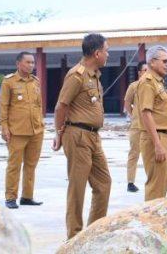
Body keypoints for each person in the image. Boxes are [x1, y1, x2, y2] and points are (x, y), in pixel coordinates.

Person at [52, 33, 111, 239]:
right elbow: (61, 106)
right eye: (106, 51)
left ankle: (94, 232)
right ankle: (74, 236)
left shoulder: (94, 76)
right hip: (77, 136)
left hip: (94, 137)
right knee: (77, 187)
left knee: (103, 183)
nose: (108, 55)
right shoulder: (76, 76)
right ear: (97, 53)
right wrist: (59, 134)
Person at [0, 52, 45, 209]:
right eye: (28, 62)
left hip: (36, 130)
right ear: (18, 63)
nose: (31, 65)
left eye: (33, 62)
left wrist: (41, 123)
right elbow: (3, 106)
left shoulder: (35, 81)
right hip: (17, 131)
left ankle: (27, 196)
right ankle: (10, 197)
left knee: (31, 165)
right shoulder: (9, 82)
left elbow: (38, 105)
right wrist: (4, 127)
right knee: (14, 165)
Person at [136, 45, 167, 201]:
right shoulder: (147, 83)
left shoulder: (158, 82)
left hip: (163, 137)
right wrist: (157, 144)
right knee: (156, 187)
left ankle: (156, 223)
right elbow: (146, 114)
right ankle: (150, 223)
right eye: (164, 61)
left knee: (162, 185)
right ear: (152, 63)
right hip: (155, 138)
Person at [123, 61, 148, 193]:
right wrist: (133, 115)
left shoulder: (154, 85)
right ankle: (130, 182)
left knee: (151, 154)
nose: (147, 72)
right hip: (137, 126)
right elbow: (127, 102)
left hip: (151, 127)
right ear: (139, 73)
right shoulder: (133, 86)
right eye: (145, 70)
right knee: (134, 153)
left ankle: (152, 180)